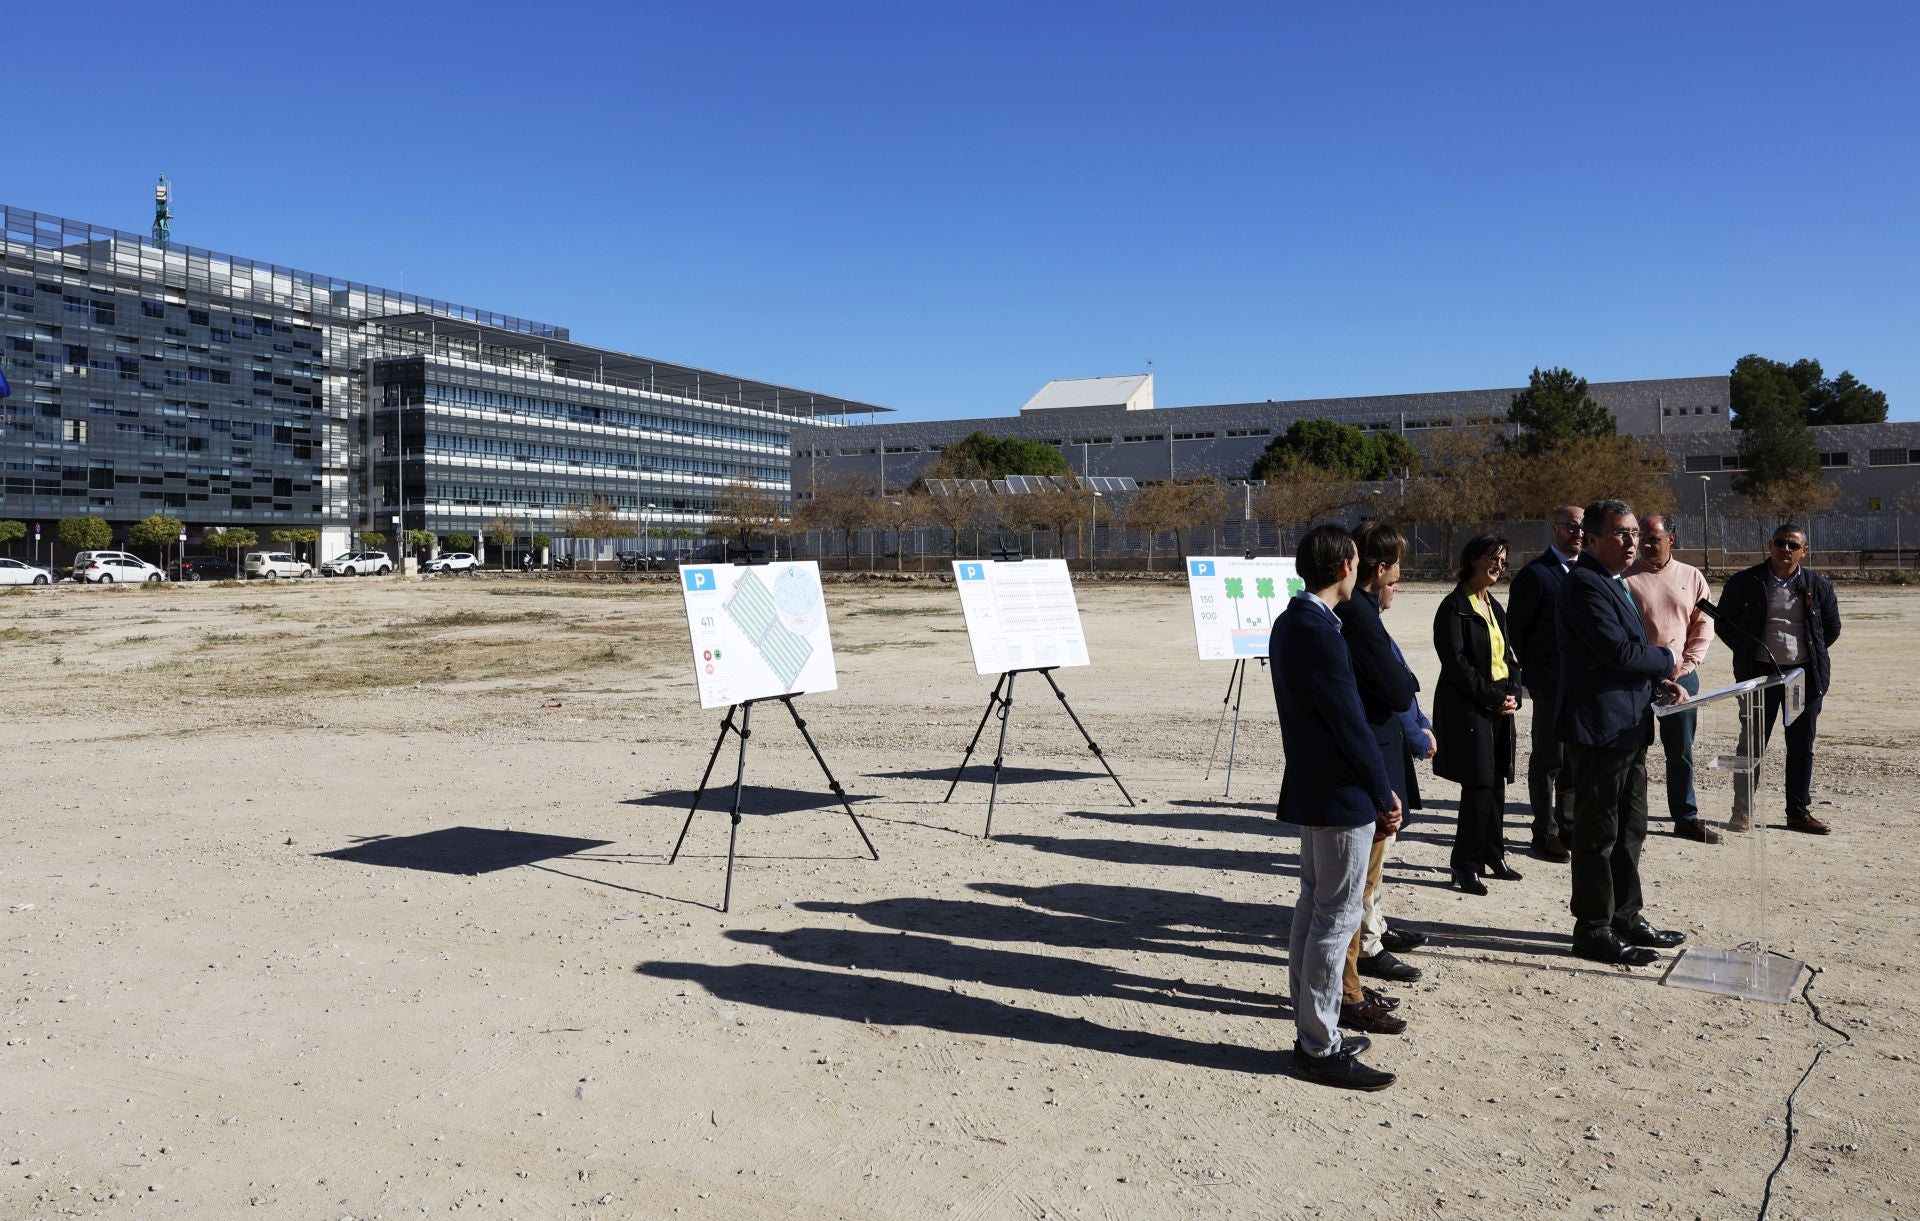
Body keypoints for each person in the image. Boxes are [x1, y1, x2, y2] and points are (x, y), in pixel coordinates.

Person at [1270, 524, 1402, 1091]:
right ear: (1347, 566)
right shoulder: (1321, 629)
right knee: (1334, 916)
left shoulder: (1292, 620)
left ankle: (1310, 1024)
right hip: (1342, 792)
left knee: (1314, 905)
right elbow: (1348, 721)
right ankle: (1319, 1044)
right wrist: (1382, 791)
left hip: (1315, 785)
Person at [1556, 498, 1690, 966]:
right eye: (1620, 533)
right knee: (1598, 833)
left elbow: (1630, 653)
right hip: (1600, 730)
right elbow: (1619, 652)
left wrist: (1659, 682)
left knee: (1630, 827)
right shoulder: (1586, 586)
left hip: (1629, 726)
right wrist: (1667, 659)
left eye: (1634, 532)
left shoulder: (1614, 581)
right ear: (1591, 539)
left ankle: (1625, 916)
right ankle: (1592, 927)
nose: (1632, 541)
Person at [1333, 522, 1420, 1036]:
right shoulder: (1358, 616)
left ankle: (1351, 986)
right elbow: (1396, 686)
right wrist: (1405, 682)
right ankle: (1346, 994)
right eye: (1397, 570)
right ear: (1380, 568)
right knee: (1351, 893)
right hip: (1369, 768)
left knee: (1357, 890)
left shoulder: (1356, 613)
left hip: (1372, 761)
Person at [1715, 523, 1843, 835]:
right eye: (1780, 543)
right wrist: (1748, 650)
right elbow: (1723, 622)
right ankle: (1741, 812)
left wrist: (1805, 653)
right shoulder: (1745, 582)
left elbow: (1831, 628)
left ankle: (1797, 813)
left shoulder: (1818, 586)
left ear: (1804, 551)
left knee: (1801, 745)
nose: (1785, 549)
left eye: (1792, 545)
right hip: (1759, 676)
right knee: (1750, 744)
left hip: (1801, 678)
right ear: (1770, 545)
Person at [1432, 534, 1523, 895]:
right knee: (1478, 785)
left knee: (1497, 780)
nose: (1499, 566)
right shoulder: (1453, 607)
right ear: (1472, 559)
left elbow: (1509, 658)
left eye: (1503, 560)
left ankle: (1493, 855)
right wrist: (1491, 697)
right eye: (1492, 558)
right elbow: (1456, 664)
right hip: (1470, 708)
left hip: (1499, 705)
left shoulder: (1494, 606)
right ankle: (1464, 864)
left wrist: (1514, 692)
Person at [1623, 514, 1720, 843]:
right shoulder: (1623, 578)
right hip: (1635, 678)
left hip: (1682, 679)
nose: (1646, 544)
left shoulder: (1692, 577)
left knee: (1680, 751)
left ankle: (1686, 816)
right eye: (1641, 538)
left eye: (1653, 538)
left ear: (1672, 540)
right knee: (1631, 751)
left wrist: (1686, 666)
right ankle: (1629, 816)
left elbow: (1703, 625)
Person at [1506, 506, 1583, 862]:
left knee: (1574, 761)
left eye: (1583, 528)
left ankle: (1569, 827)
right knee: (1548, 760)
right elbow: (1518, 633)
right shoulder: (1535, 575)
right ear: (1555, 529)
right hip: (1550, 686)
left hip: (1583, 686)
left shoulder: (1590, 572)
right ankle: (1544, 832)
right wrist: (1535, 676)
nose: (1578, 533)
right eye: (1571, 527)